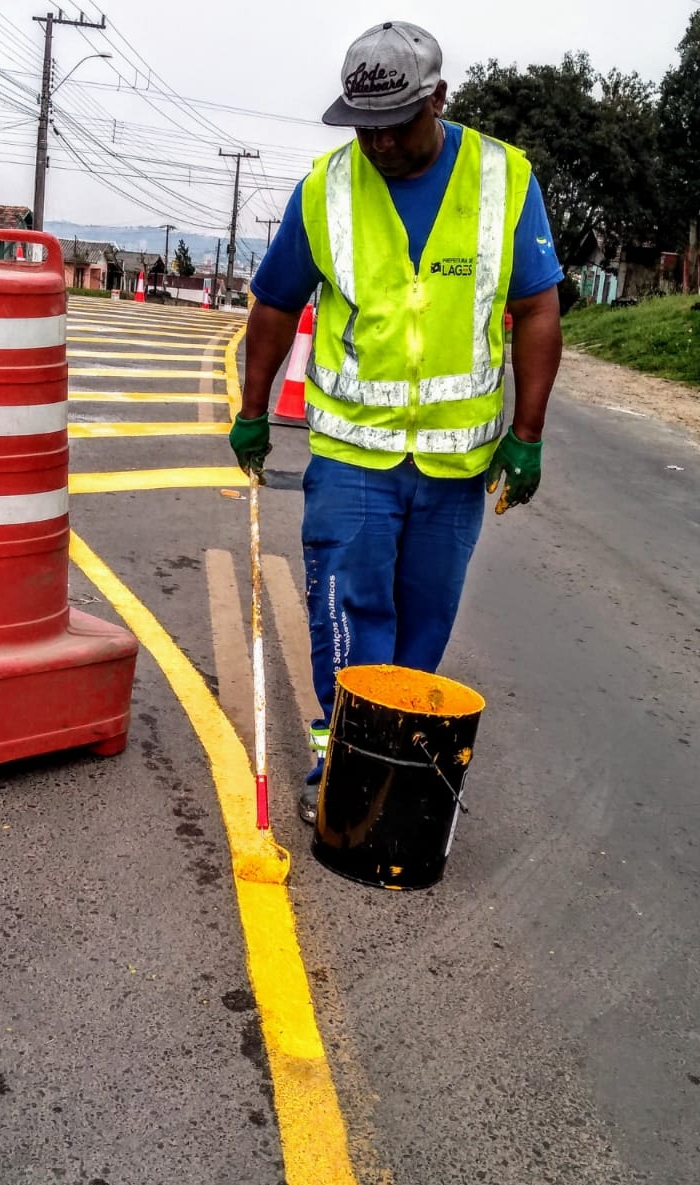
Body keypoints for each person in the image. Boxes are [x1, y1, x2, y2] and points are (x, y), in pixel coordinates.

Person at [230, 20, 563, 824]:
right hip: (351, 452)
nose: (376, 143)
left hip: (457, 462)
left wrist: (527, 434)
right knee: (348, 616)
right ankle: (341, 762)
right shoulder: (325, 188)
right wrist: (252, 411)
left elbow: (538, 307)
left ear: (438, 99)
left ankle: (397, 760)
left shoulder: (502, 177)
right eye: (363, 127)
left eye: (393, 125)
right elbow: (275, 301)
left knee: (423, 626)